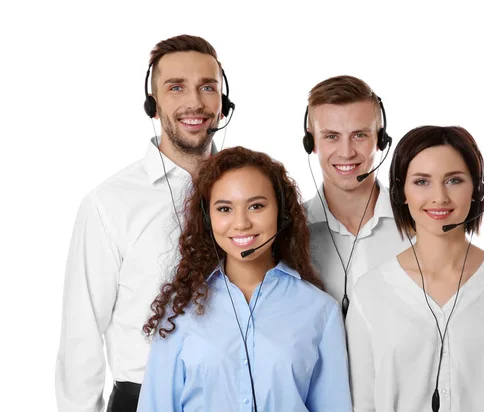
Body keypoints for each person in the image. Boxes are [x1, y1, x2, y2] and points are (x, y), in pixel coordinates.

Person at [55, 34, 235, 412]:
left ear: (223, 103)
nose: (195, 102)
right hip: (144, 399)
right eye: (176, 88)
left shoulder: (252, 193)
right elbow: (81, 337)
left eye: (207, 87)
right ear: (153, 104)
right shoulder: (109, 204)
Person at [346, 126, 484, 411]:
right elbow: (364, 404)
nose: (440, 197)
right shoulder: (369, 293)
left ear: (476, 190)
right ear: (401, 192)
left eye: (454, 180)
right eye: (422, 181)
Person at [137, 146, 351, 412]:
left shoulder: (320, 310)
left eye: (256, 206)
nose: (241, 223)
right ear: (207, 217)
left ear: (280, 211)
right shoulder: (178, 311)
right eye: (224, 208)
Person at [302, 75, 410, 316]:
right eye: (331, 136)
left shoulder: (418, 228)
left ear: (381, 139)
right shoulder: (287, 230)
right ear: (311, 141)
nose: (346, 152)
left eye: (359, 135)